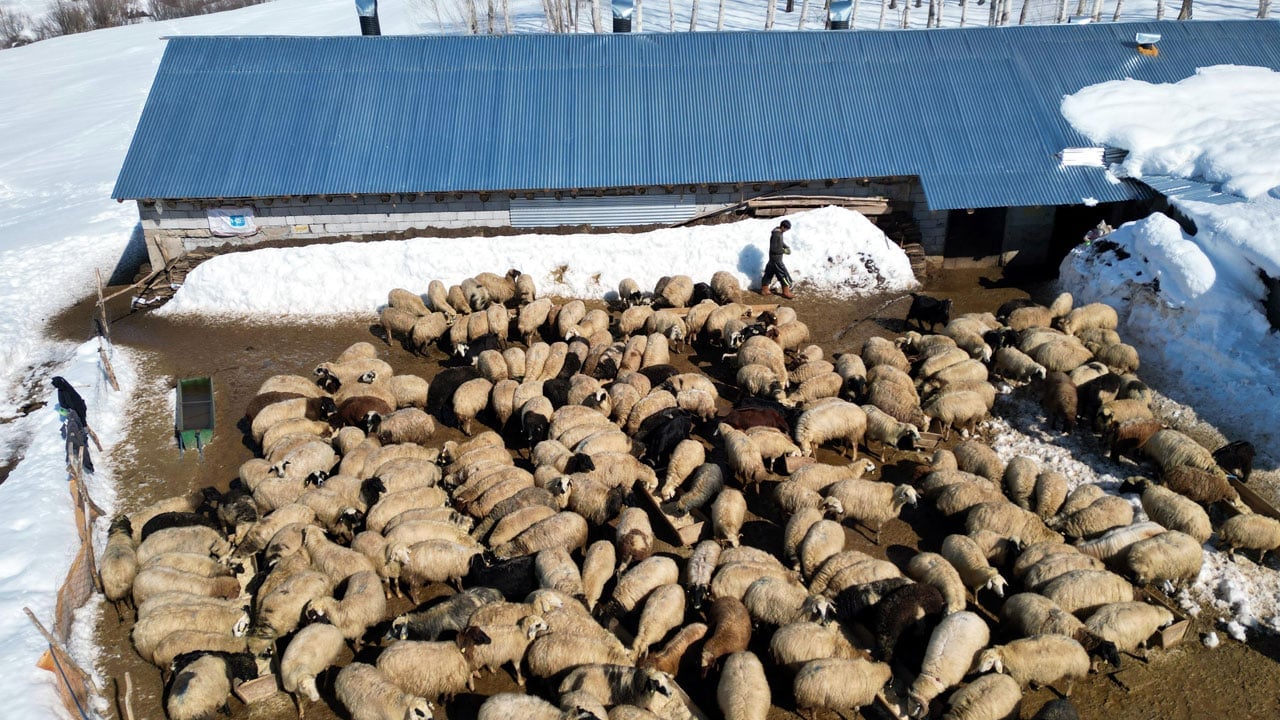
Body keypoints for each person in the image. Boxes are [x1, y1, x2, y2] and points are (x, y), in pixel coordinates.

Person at [761, 219, 795, 299]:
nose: (786, 231)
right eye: (786, 229)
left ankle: (764, 289)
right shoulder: (777, 235)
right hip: (777, 260)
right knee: (783, 274)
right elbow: (774, 248)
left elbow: (779, 243)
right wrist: (784, 250)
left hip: (773, 259)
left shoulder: (779, 233)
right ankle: (786, 292)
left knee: (769, 274)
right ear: (782, 227)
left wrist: (785, 246)